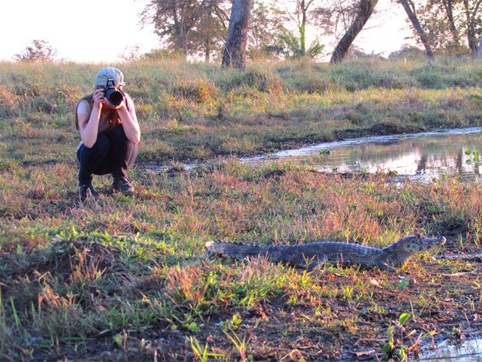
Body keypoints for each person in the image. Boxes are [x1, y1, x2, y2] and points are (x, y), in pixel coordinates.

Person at [75, 67, 141, 201]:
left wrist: (122, 109)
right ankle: (85, 184)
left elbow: (135, 138)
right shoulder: (85, 104)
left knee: (120, 131)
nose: (111, 94)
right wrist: (96, 108)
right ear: (96, 89)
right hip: (93, 157)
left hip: (121, 158)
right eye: (106, 90)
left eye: (116, 90)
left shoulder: (125, 100)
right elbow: (88, 142)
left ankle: (120, 179)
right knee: (101, 140)